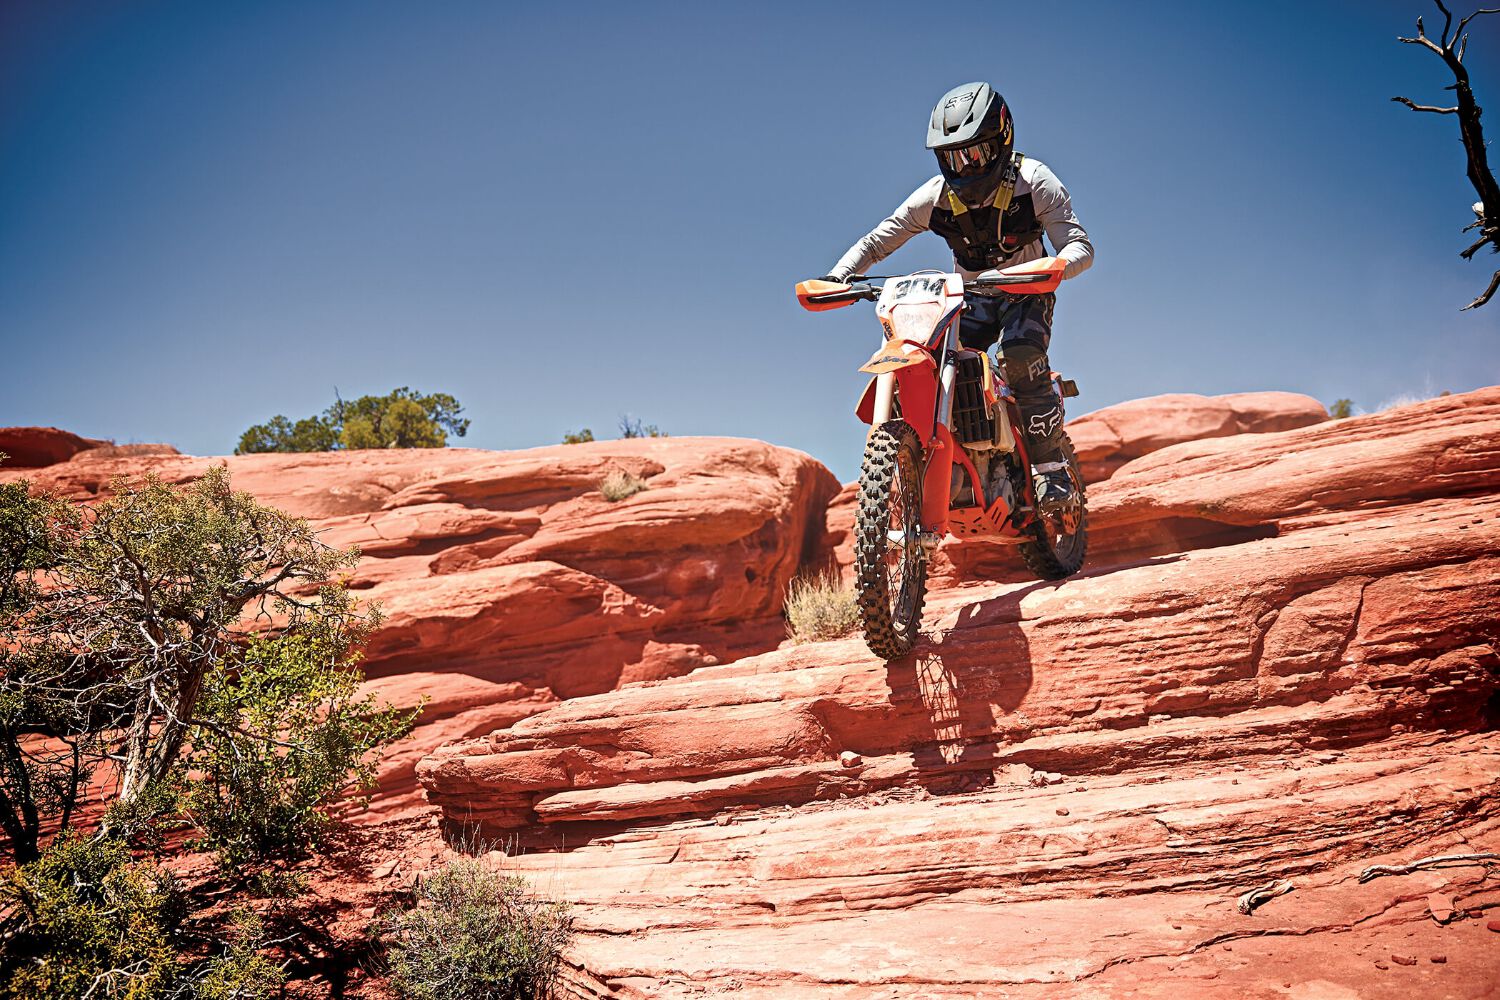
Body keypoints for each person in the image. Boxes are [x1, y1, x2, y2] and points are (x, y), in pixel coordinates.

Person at [822, 82, 1093, 515]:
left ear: (1002, 138)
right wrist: (838, 277)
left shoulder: (1035, 181)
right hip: (969, 297)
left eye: (974, 153)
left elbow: (1080, 246)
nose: (964, 167)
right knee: (925, 356)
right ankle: (934, 458)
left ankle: (1050, 468)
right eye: (952, 156)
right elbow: (878, 240)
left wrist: (1055, 267)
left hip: (1027, 292)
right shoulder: (934, 197)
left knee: (1021, 355)